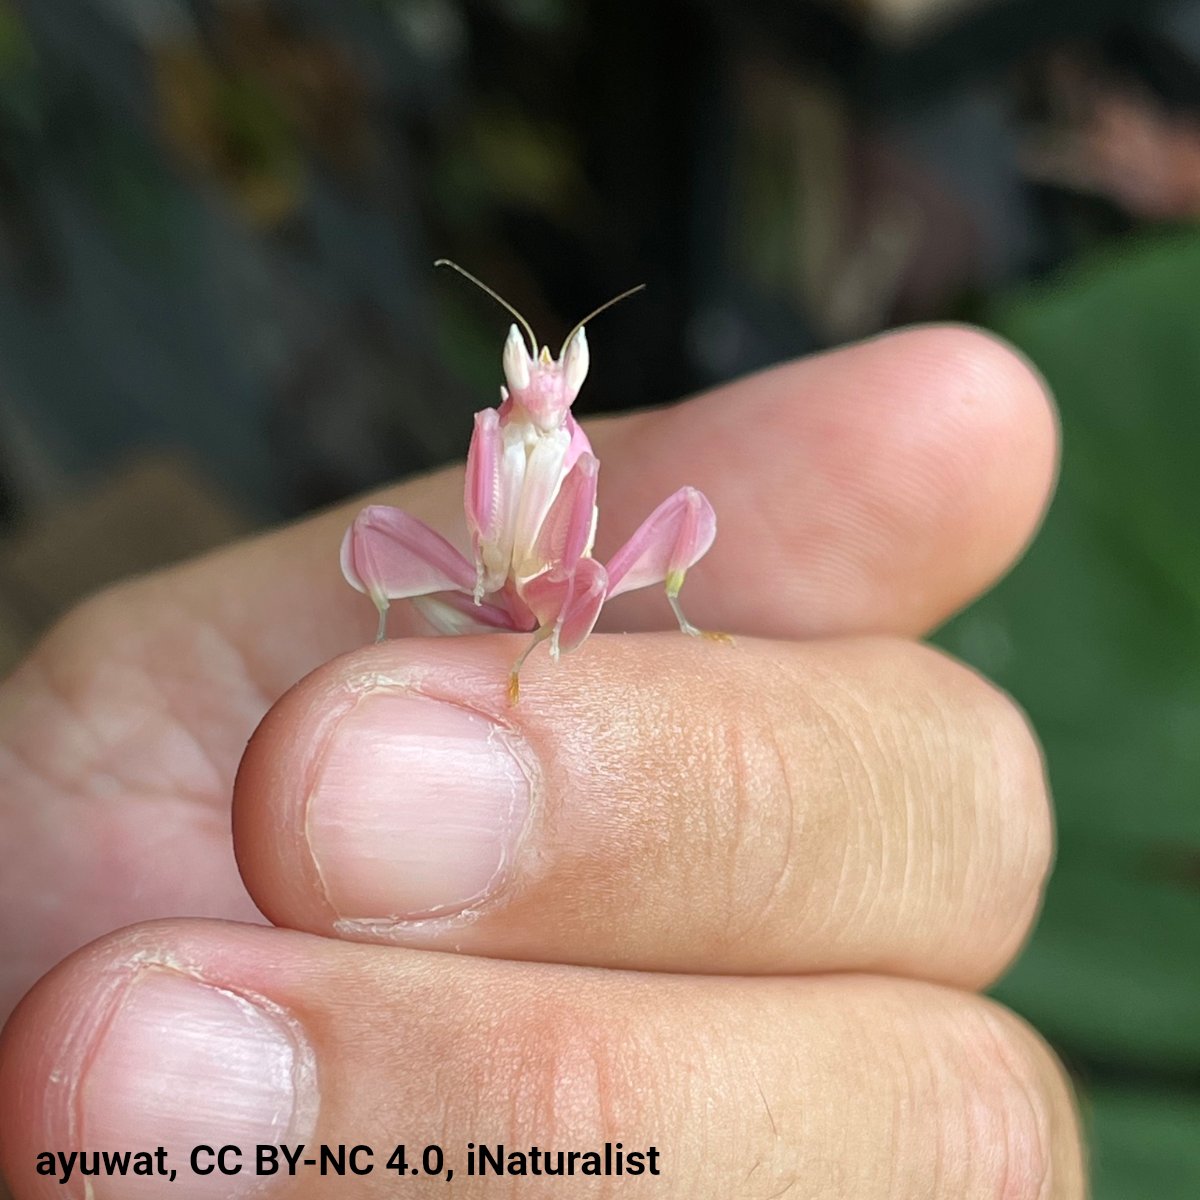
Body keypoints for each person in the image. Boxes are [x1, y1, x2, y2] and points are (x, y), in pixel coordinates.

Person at [0, 325, 1084, 1197]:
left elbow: (579, 568)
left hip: (577, 606)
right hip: (483, 600)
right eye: (529, 381)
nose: (537, 394)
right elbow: (485, 547)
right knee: (382, 539)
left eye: (551, 382)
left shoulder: (571, 454)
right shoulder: (500, 435)